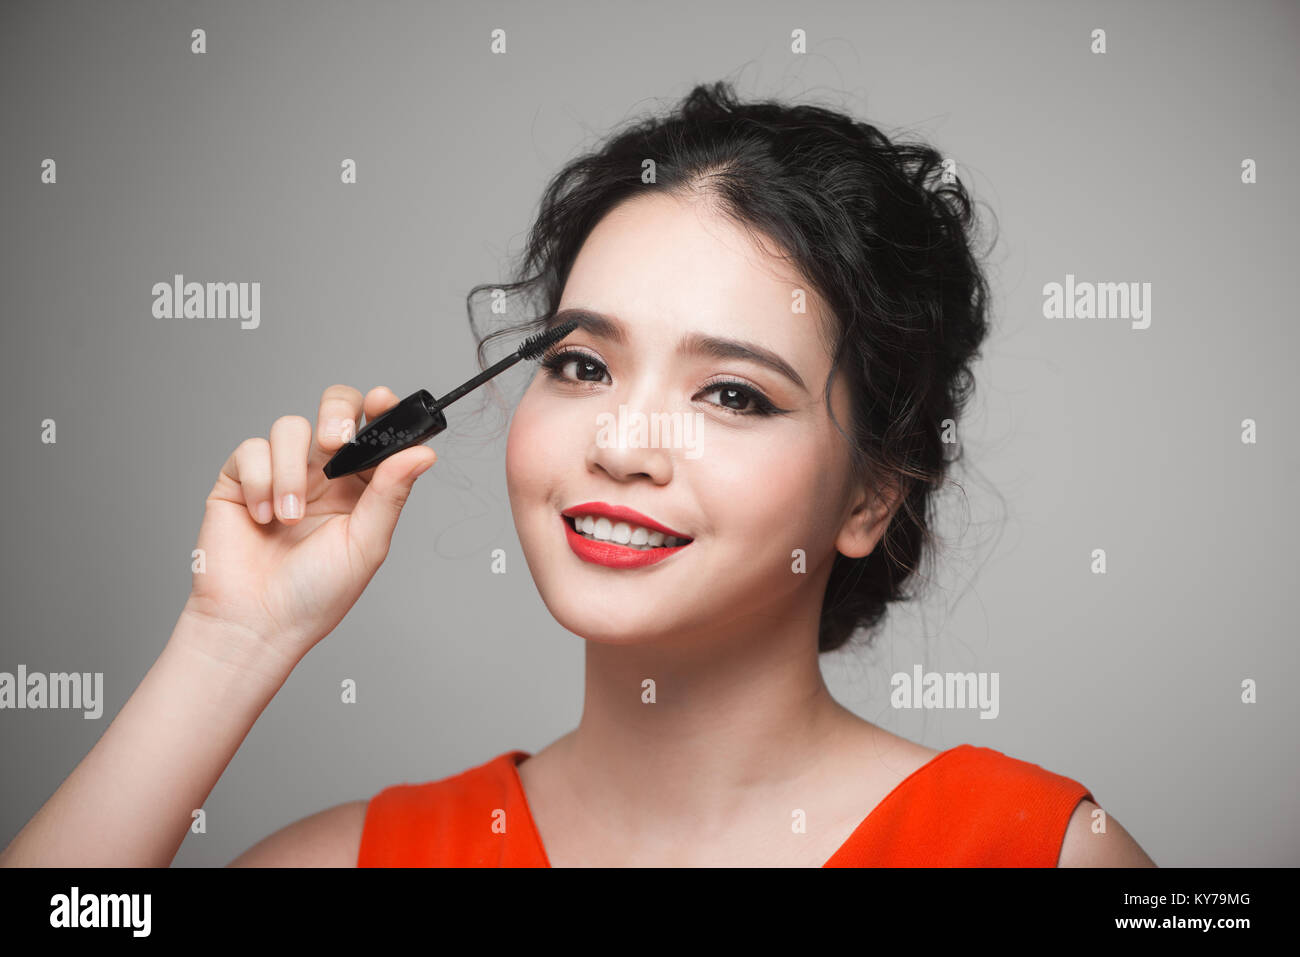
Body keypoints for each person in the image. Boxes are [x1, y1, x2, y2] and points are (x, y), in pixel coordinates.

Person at [0, 81, 1154, 867]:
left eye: (732, 394)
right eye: (583, 365)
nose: (621, 443)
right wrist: (227, 644)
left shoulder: (1037, 850)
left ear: (869, 498)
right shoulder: (356, 861)